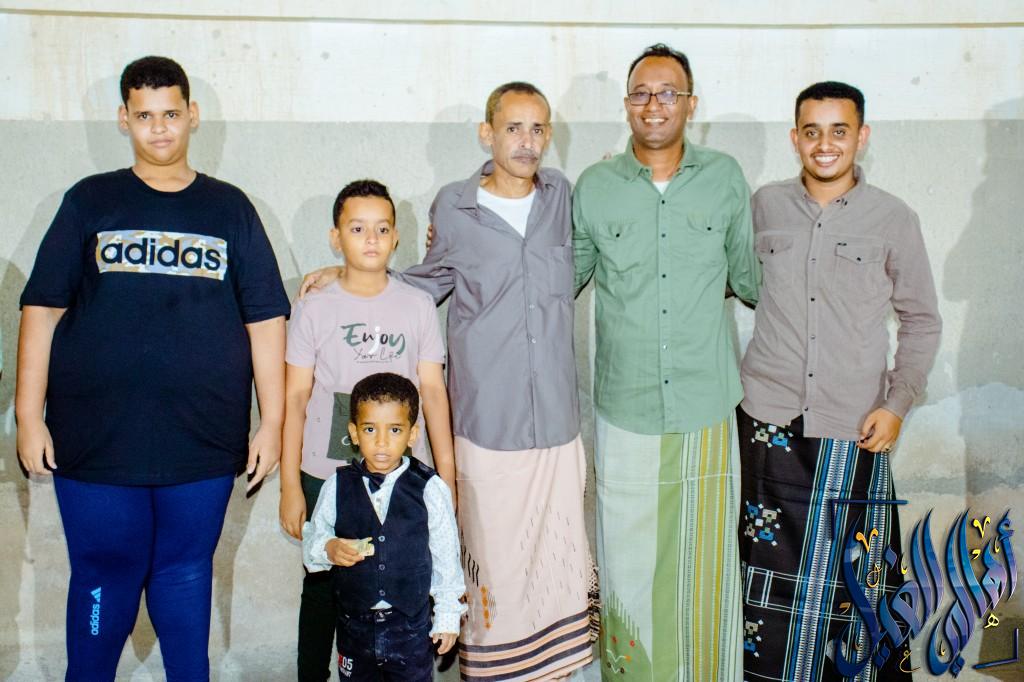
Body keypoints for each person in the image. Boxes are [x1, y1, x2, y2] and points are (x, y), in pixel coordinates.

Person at [301, 82, 593, 680]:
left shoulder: (561, 195)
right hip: (486, 417)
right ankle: (496, 670)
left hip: (557, 417)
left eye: (538, 128)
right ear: (487, 134)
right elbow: (427, 280)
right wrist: (353, 272)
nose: (527, 141)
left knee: (557, 562)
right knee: (492, 561)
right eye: (513, 128)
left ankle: (555, 670)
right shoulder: (455, 207)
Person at [15, 56, 288, 680]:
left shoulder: (230, 208)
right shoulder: (89, 200)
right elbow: (42, 309)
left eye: (170, 114)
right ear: (123, 119)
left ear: (193, 115)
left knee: (185, 572)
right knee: (103, 570)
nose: (159, 128)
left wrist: (271, 421)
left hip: (203, 437)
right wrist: (28, 415)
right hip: (95, 436)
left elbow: (266, 320)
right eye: (144, 116)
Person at [737, 81, 941, 680]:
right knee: (766, 581)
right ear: (795, 137)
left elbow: (922, 320)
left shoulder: (894, 218)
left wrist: (898, 403)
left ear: (862, 136)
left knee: (857, 579)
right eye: (812, 131)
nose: (824, 144)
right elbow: (723, 277)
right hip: (768, 424)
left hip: (854, 428)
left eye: (839, 131)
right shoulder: (763, 206)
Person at [573, 44, 760, 680]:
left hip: (706, 408)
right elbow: (555, 279)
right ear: (627, 104)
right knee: (627, 570)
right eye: (641, 93)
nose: (654, 104)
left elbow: (753, 278)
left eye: (668, 92)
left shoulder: (725, 178)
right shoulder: (595, 187)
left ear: (690, 103)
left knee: (706, 568)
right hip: (625, 410)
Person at [279, 179, 455, 681]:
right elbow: (295, 396)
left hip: (398, 474)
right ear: (336, 238)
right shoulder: (314, 306)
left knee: (400, 575)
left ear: (396, 237)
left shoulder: (416, 305)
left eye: (382, 229)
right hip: (325, 469)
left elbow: (433, 391)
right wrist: (290, 484)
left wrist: (446, 476)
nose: (371, 239)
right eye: (357, 229)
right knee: (323, 583)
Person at [303, 372, 464, 681]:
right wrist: (328, 548)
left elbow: (446, 557)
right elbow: (313, 538)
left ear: (412, 434)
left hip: (410, 629)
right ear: (353, 432)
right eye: (369, 429)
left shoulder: (430, 488)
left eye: (394, 430)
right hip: (354, 627)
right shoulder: (337, 485)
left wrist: (447, 616)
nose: (381, 442)